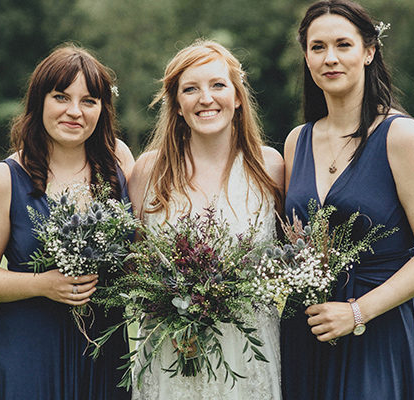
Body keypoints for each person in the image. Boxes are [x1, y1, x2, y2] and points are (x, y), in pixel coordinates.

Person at [282, 1, 414, 399]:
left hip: (378, 331)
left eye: (343, 44)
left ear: (369, 50)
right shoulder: (296, 141)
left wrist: (356, 312)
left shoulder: (401, 137)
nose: (330, 58)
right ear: (306, 56)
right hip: (307, 330)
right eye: (317, 47)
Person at [0, 44, 134, 400]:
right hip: (29, 353)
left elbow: (139, 249)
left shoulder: (119, 162)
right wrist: (43, 284)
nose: (75, 112)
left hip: (104, 351)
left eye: (89, 101)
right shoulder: (6, 177)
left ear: (103, 108)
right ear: (40, 101)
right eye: (61, 97)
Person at [128, 39, 284, 399]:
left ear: (238, 96)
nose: (206, 98)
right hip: (171, 354)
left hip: (249, 355)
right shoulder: (149, 171)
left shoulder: (271, 167)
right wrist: (172, 301)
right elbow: (134, 265)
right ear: (178, 105)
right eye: (191, 89)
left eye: (217, 85)